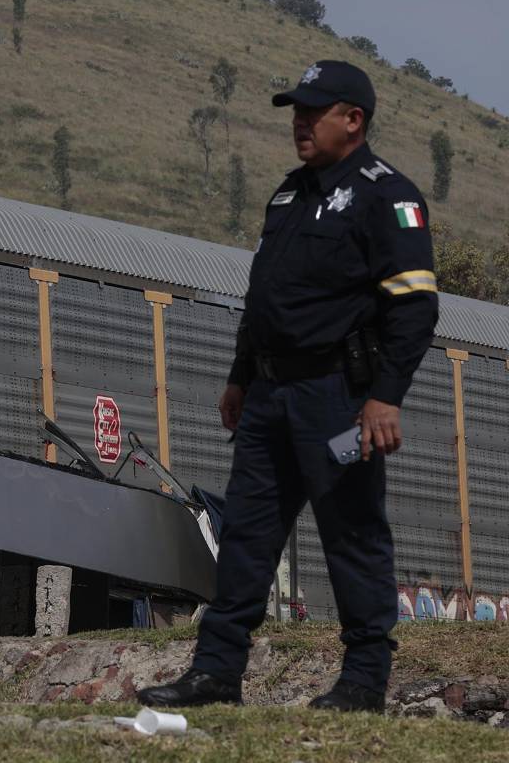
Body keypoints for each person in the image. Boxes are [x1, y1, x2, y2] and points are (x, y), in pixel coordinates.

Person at [138, 60, 438, 713]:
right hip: (270, 396)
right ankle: (217, 670)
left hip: (339, 397)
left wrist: (385, 396)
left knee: (353, 533)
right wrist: (241, 376)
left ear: (353, 119)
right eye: (296, 110)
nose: (300, 122)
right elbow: (265, 296)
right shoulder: (289, 194)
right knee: (245, 533)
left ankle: (363, 680)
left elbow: (415, 309)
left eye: (314, 110)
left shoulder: (389, 197)